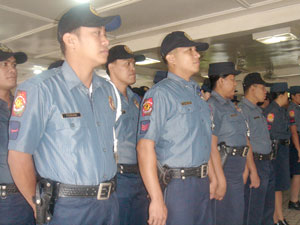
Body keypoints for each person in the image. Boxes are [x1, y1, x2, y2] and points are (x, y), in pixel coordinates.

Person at [7, 4, 121, 225]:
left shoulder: (107, 91)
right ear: (71, 40)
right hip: (69, 208)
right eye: (97, 33)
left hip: (110, 203)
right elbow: (18, 157)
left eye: (105, 34)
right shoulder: (41, 89)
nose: (106, 40)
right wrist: (39, 206)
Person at [137, 31, 217, 225]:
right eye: (189, 50)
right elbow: (144, 147)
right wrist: (156, 198)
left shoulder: (197, 95)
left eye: (196, 50)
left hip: (201, 181)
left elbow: (204, 141)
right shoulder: (160, 94)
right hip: (177, 186)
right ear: (171, 58)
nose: (197, 55)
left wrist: (212, 176)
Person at [207, 62, 259, 225]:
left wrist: (246, 168)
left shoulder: (231, 106)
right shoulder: (212, 106)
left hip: (237, 167)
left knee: (236, 216)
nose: (235, 84)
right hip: (224, 167)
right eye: (232, 79)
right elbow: (211, 146)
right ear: (221, 81)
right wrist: (220, 179)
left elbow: (243, 139)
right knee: (223, 217)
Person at [105, 44, 149, 225]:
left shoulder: (136, 100)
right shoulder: (103, 97)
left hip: (138, 175)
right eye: (127, 64)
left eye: (133, 64)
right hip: (116, 178)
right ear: (111, 66)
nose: (133, 68)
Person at [0, 44, 35, 225]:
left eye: (13, 65)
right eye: (4, 64)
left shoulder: (21, 108)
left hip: (30, 195)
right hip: (4, 201)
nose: (12, 70)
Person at [239, 72, 275, 225]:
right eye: (262, 87)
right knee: (253, 210)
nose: (265, 91)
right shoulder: (242, 111)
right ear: (252, 88)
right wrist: (253, 171)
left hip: (267, 163)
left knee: (267, 209)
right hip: (255, 163)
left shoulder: (258, 111)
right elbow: (245, 142)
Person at [264, 82, 291, 225]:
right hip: (275, 151)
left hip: (282, 151)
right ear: (281, 94)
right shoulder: (271, 111)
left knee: (279, 186)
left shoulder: (281, 110)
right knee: (275, 186)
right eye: (286, 94)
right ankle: (275, 219)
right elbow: (269, 134)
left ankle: (280, 218)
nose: (288, 97)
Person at [288, 86, 300, 210]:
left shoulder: (296, 108)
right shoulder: (292, 109)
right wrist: (298, 149)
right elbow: (294, 131)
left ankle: (295, 199)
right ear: (293, 96)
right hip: (296, 141)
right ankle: (293, 200)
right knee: (297, 172)